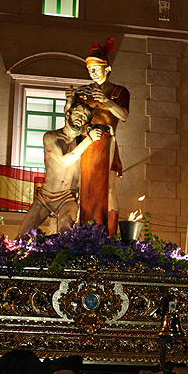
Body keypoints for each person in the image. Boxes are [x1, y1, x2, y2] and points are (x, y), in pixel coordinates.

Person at [68, 37, 129, 237]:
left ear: (107, 68)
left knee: (109, 188)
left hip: (107, 141)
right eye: (89, 69)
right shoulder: (83, 93)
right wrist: (69, 102)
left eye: (96, 68)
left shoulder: (119, 91)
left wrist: (107, 101)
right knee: (82, 188)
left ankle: (110, 234)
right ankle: (82, 231)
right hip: (86, 142)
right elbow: (71, 120)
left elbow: (124, 115)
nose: (92, 72)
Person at [17, 102, 101, 238]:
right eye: (78, 113)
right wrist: (90, 139)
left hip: (68, 197)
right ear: (68, 114)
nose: (81, 117)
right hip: (45, 197)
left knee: (65, 231)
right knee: (23, 234)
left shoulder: (82, 143)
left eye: (85, 116)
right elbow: (63, 161)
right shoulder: (51, 137)